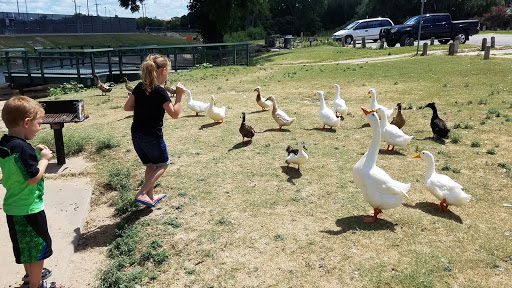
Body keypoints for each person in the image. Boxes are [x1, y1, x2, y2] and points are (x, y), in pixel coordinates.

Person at [0, 96, 61, 288]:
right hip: (29, 209)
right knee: (38, 249)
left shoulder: (6, 144)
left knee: (27, 247)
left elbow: (17, 168)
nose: (40, 128)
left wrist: (33, 154)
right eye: (39, 124)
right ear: (26, 123)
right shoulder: (22, 148)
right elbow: (33, 177)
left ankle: (31, 275)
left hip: (13, 207)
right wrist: (43, 159)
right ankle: (36, 285)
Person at [124, 54, 184, 207]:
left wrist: (143, 106)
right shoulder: (159, 91)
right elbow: (175, 114)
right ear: (163, 71)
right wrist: (178, 96)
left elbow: (127, 107)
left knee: (150, 165)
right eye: (168, 72)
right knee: (163, 164)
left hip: (136, 135)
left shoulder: (139, 87)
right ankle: (142, 192)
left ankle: (149, 198)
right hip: (152, 136)